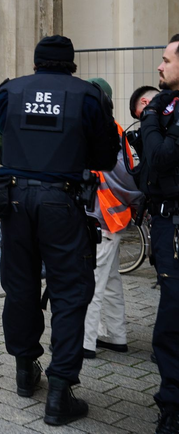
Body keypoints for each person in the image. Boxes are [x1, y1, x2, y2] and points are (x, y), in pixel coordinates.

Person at [0, 36, 119, 426]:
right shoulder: (88, 96)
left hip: (15, 201)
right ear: (71, 63)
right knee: (71, 291)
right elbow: (106, 157)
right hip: (63, 201)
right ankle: (60, 391)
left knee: (20, 286)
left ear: (37, 61)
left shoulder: (10, 91)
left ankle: (26, 371)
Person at [82, 78, 142, 360]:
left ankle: (85, 342)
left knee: (90, 280)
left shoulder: (97, 132)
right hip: (113, 219)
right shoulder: (116, 130)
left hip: (101, 219)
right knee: (110, 279)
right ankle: (116, 336)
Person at [137, 34, 179, 433]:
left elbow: (163, 156)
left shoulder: (166, 110)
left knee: (172, 318)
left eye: (166, 60)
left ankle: (173, 408)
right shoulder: (169, 105)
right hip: (166, 217)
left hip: (176, 225)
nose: (160, 67)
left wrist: (150, 118)